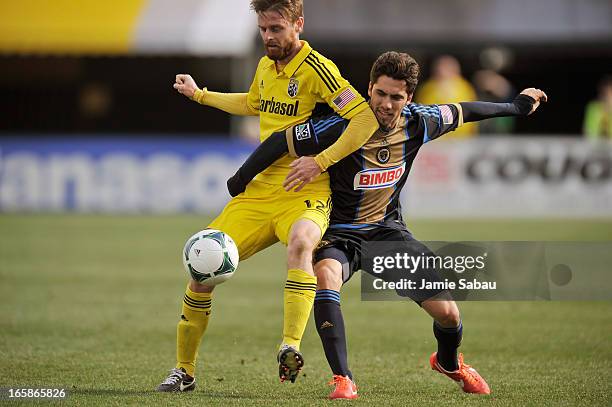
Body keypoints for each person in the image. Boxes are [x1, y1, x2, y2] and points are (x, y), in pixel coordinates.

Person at [227, 51, 547, 399]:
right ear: (369, 89)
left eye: (396, 97)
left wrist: (515, 107)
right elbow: (280, 141)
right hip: (338, 234)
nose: (387, 103)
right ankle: (343, 379)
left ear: (408, 98)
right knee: (325, 276)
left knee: (449, 315)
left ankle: (448, 362)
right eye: (380, 93)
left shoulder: (419, 121)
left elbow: (464, 111)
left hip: (386, 233)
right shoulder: (340, 124)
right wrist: (240, 179)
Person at [157, 0, 378, 392]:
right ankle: (183, 371)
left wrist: (321, 161)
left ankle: (289, 347)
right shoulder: (265, 66)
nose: (268, 37)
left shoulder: (318, 69)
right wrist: (200, 95)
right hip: (258, 193)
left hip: (304, 191)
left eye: (276, 28)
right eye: (263, 29)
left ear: (298, 25)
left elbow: (364, 117)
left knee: (301, 244)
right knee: (202, 266)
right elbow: (252, 103)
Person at [416, 55, 478, 138]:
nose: (440, 71)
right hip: (433, 138)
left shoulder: (463, 88)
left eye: (445, 68)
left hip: (460, 138)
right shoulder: (427, 88)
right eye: (438, 68)